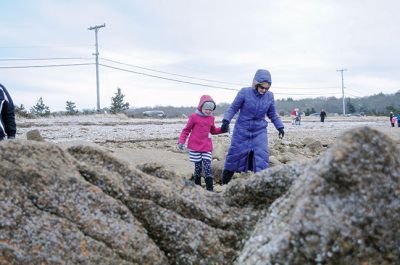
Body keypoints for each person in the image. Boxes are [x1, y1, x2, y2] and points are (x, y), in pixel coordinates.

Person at [220, 69, 284, 185]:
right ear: (256, 84)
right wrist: (226, 121)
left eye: (266, 88)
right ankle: (224, 184)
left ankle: (261, 186)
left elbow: (272, 114)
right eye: (261, 87)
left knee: (262, 157)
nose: (263, 90)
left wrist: (280, 127)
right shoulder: (244, 92)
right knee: (234, 156)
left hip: (259, 131)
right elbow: (233, 108)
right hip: (242, 129)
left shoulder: (269, 96)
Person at [177, 95, 225, 192]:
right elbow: (186, 130)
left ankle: (210, 190)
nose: (208, 111)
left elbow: (213, 130)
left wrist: (223, 129)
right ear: (201, 107)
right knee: (198, 168)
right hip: (195, 147)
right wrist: (181, 141)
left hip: (206, 146)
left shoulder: (211, 118)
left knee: (208, 166)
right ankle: (197, 188)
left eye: (210, 110)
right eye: (206, 109)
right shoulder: (194, 117)